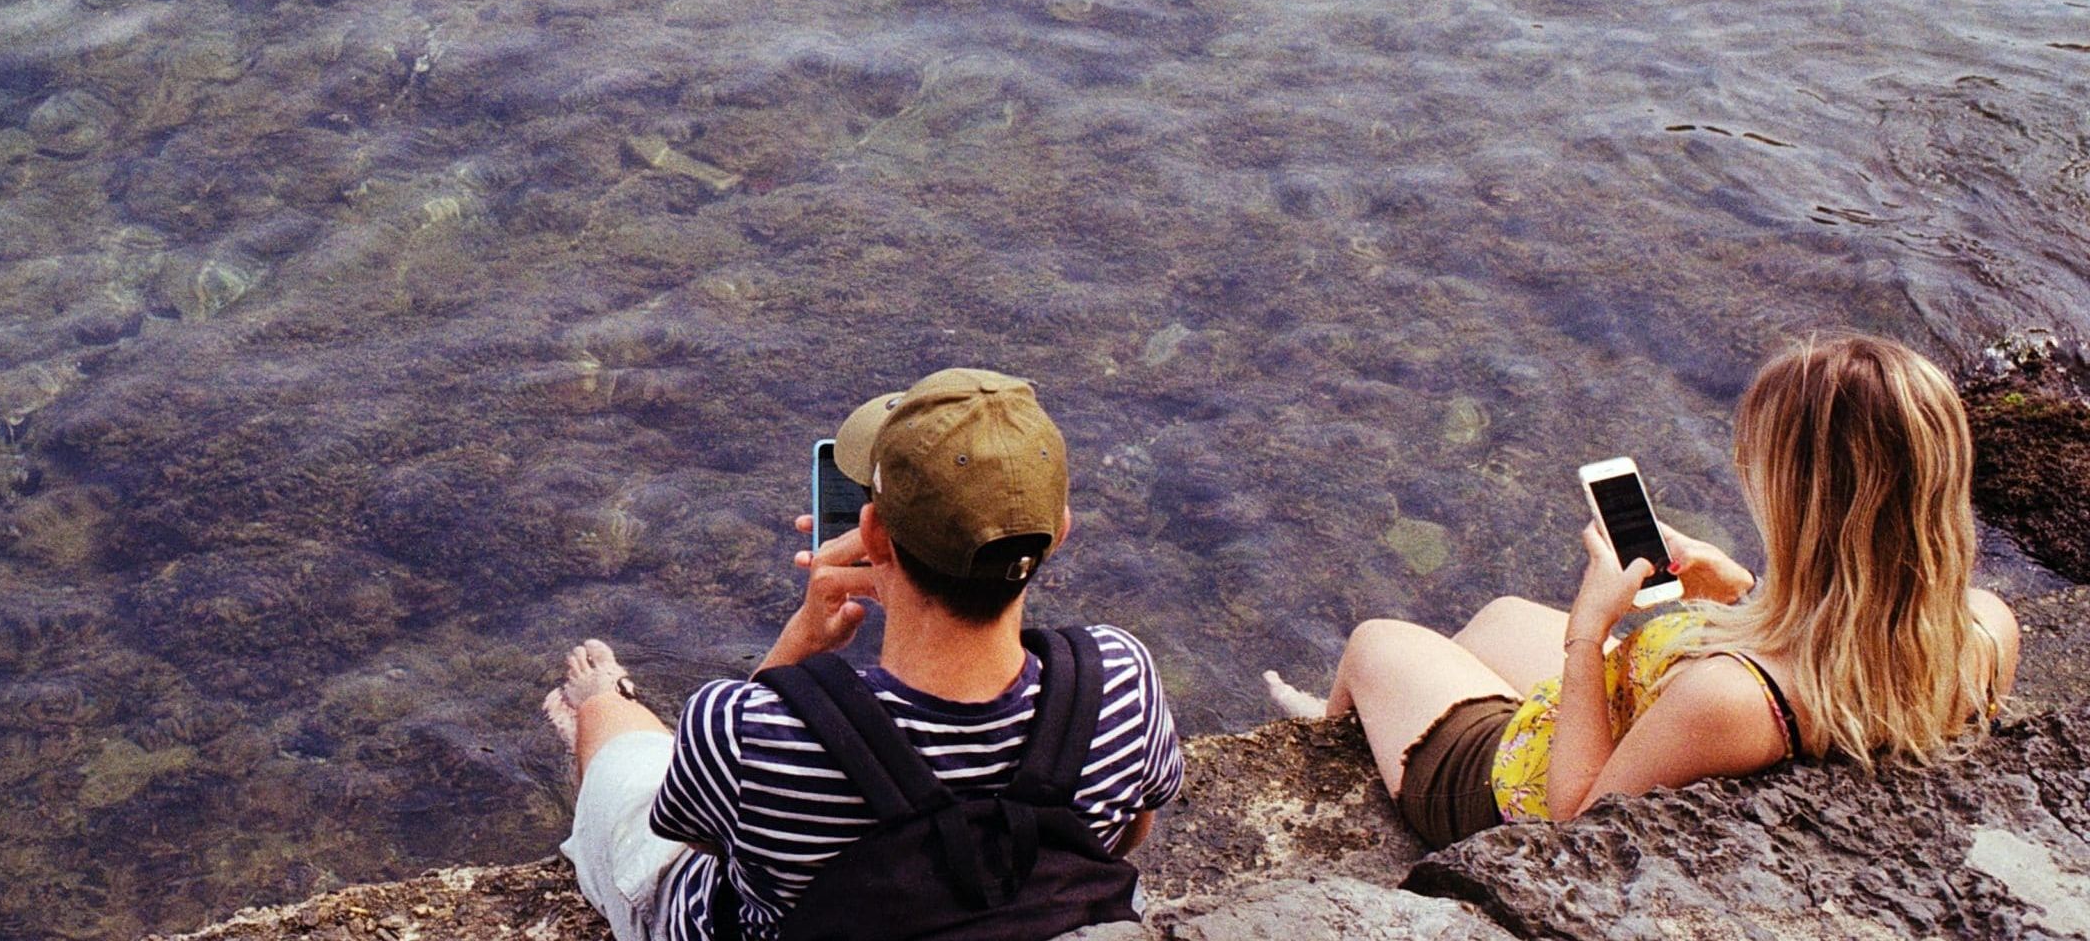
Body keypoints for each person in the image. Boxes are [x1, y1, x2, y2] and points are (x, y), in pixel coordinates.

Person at [1263, 332, 2023, 848]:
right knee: (1498, 618)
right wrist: (1742, 595)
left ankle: (1345, 736)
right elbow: (1826, 662)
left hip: (1511, 793)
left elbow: (1577, 824)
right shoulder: (1986, 628)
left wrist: (1589, 634)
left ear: (1802, 502)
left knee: (1377, 643)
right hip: (1652, 717)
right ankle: (1399, 716)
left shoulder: (1729, 700)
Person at [543, 368, 1185, 941]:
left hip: (724, 912)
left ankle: (601, 706)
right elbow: (1126, 837)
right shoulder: (1121, 680)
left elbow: (704, 836)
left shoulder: (748, 728)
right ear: (1060, 531)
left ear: (873, 531)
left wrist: (803, 641)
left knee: (628, 770)